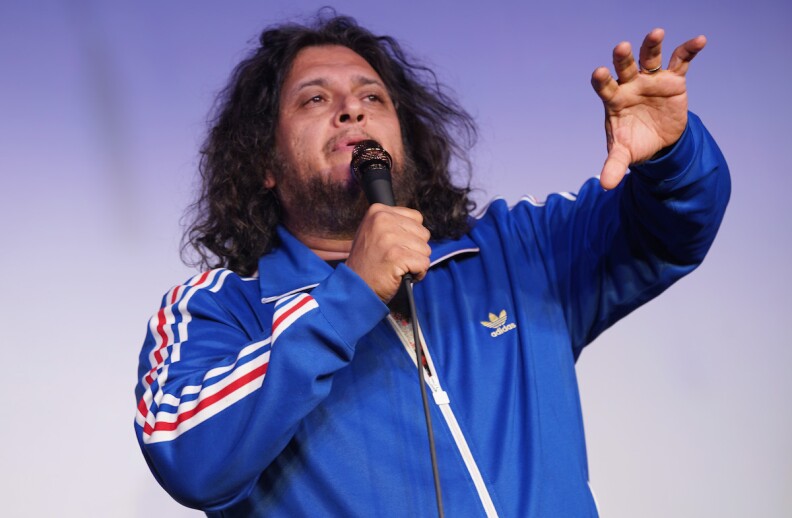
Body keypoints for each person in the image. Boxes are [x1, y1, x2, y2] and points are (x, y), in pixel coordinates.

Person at [134, 12, 730, 517]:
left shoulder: (513, 252)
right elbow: (188, 456)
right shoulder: (218, 310)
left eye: (372, 97)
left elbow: (674, 230)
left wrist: (671, 155)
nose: (352, 111)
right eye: (316, 98)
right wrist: (351, 295)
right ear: (264, 162)